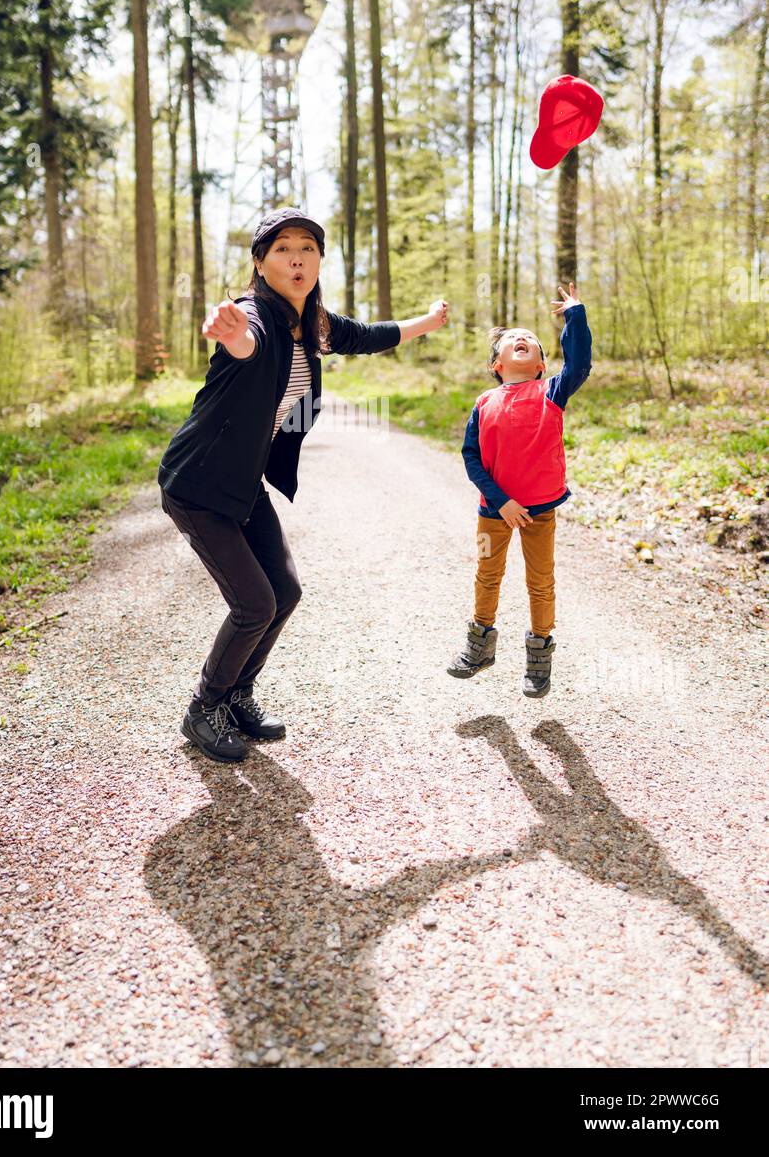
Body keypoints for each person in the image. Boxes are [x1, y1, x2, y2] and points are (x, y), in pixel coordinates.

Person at [159, 205, 449, 762]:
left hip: (242, 484)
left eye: (308, 248)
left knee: (284, 593)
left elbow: (367, 335)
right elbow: (248, 344)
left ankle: (238, 694)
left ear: (318, 262)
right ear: (261, 263)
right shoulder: (257, 316)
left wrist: (425, 324)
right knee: (254, 603)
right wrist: (233, 336)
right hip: (197, 483)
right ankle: (203, 708)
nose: (297, 257)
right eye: (283, 248)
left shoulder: (311, 323)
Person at [447, 283, 592, 697]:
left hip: (539, 511)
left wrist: (575, 315)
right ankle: (479, 647)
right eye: (513, 339)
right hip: (494, 510)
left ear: (542, 365)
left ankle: (539, 659)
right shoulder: (484, 402)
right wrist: (501, 501)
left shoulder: (551, 393)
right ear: (497, 363)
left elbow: (580, 363)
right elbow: (471, 457)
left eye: (532, 340)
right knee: (487, 576)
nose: (523, 339)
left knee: (540, 581)